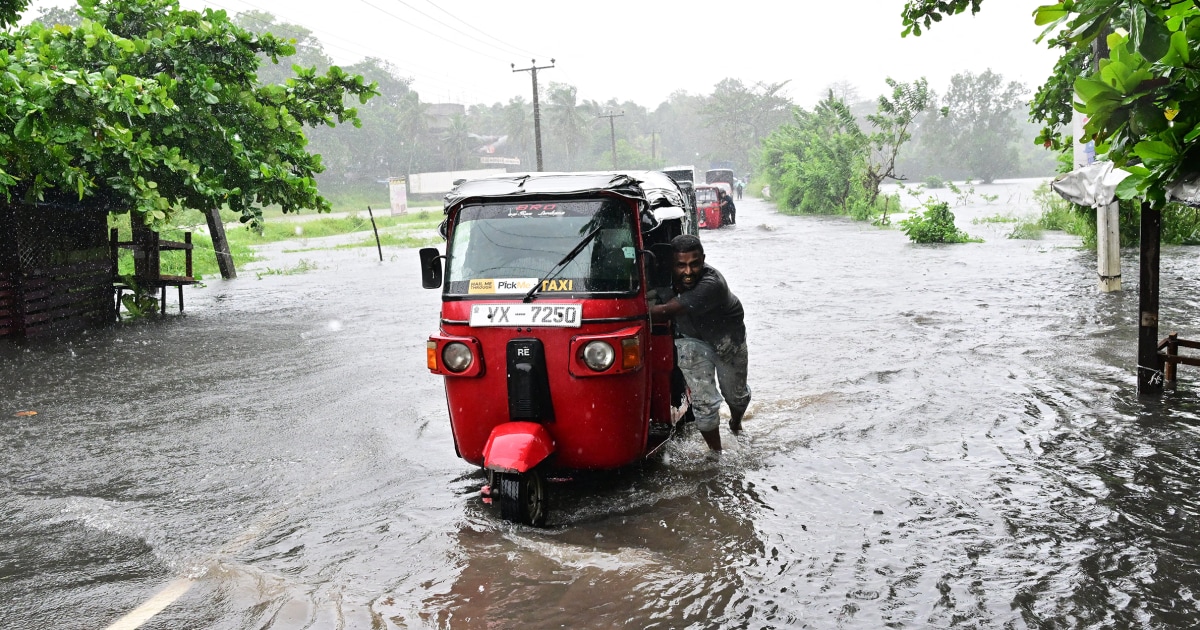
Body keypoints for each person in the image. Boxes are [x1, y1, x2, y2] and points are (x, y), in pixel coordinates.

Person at [649, 234, 750, 451]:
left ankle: (736, 421)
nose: (688, 272)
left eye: (694, 264)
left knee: (736, 396)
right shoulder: (661, 277)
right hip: (691, 338)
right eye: (681, 265)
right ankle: (716, 454)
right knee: (704, 403)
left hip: (727, 338)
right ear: (671, 264)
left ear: (703, 259)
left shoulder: (712, 284)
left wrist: (627, 311)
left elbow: (666, 311)